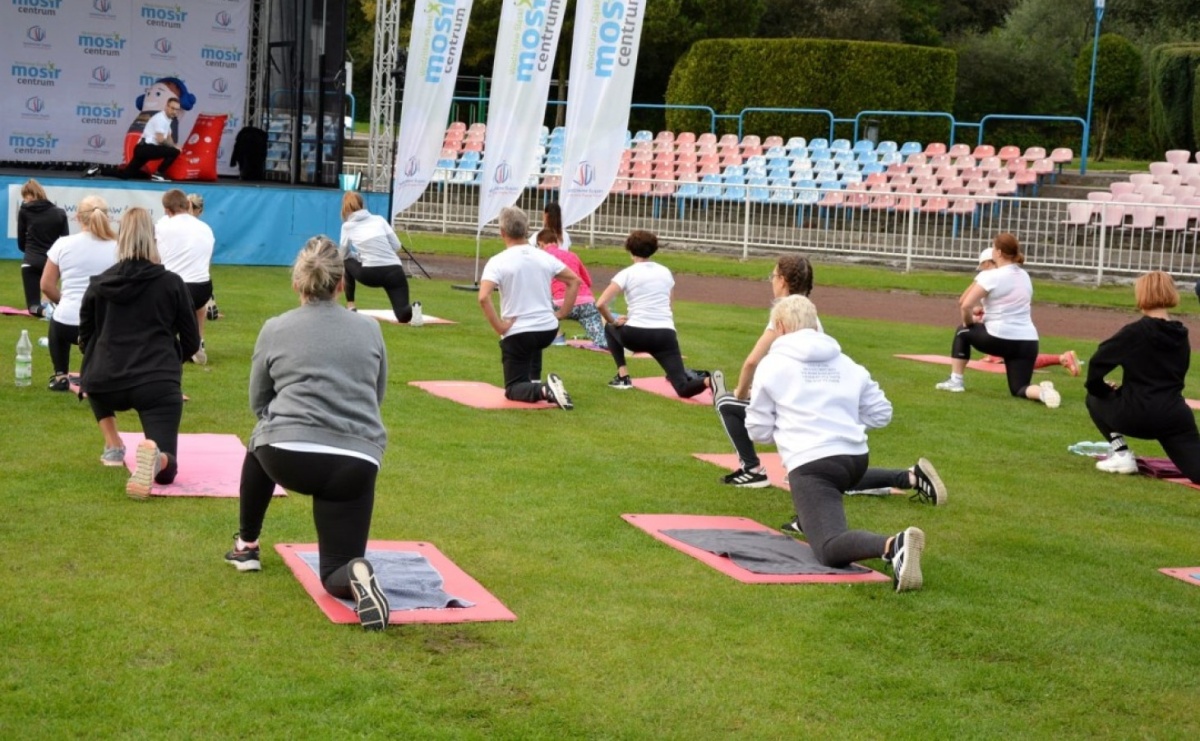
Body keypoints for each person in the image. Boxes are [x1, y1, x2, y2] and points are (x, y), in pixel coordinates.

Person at [223, 236, 391, 631]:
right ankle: (355, 573)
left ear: (298, 284)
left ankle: (247, 545)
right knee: (335, 570)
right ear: (340, 285)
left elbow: (258, 400)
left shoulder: (275, 327)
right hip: (356, 460)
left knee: (261, 433)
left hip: (286, 454)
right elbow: (375, 397)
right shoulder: (369, 329)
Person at [709, 255, 946, 508]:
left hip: (807, 409)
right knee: (824, 471)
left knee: (726, 403)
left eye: (773, 276)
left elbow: (751, 362)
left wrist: (741, 392)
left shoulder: (786, 313)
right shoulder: (807, 312)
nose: (772, 281)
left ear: (783, 281)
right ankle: (909, 477)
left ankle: (752, 469)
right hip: (823, 409)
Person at [746, 295, 926, 592]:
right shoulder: (845, 362)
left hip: (813, 464)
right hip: (855, 459)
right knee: (821, 503)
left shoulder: (772, 365)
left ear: (779, 326)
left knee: (828, 548)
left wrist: (796, 426)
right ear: (815, 324)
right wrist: (841, 424)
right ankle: (905, 480)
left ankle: (894, 545)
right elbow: (882, 413)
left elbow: (758, 431)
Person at [78, 207, 199, 494]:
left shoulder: (99, 284)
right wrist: (171, 360)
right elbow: (192, 341)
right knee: (167, 472)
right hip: (156, 383)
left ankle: (113, 443)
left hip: (105, 381)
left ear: (120, 240)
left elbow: (85, 339)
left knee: (92, 374)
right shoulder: (172, 284)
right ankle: (156, 459)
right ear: (153, 240)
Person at [1086, 271, 1200, 481]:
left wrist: (1105, 391)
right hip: (1174, 417)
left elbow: (1096, 365)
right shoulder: (1181, 335)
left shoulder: (1135, 332)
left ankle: (1121, 454)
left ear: (1142, 295)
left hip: (1136, 414)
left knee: (1093, 398)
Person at [934, 233, 1060, 408]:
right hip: (1028, 341)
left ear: (999, 252)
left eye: (993, 248)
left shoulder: (991, 275)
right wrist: (985, 312)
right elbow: (1009, 304)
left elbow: (965, 305)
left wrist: (969, 324)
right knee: (1019, 388)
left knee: (962, 332)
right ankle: (1043, 393)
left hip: (1001, 337)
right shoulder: (1024, 275)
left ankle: (956, 381)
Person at [478, 206, 580, 409]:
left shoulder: (498, 261)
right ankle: (536, 382)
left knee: (513, 389)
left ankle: (544, 389)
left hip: (519, 333)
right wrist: (561, 313)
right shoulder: (545, 256)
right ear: (527, 230)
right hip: (547, 330)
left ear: (502, 232)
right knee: (531, 342)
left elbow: (483, 297)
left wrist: (499, 327)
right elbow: (574, 281)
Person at [596, 230, 712, 398]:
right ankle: (708, 381)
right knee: (682, 388)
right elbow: (669, 306)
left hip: (636, 334)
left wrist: (613, 321)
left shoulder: (627, 273)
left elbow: (600, 303)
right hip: (665, 335)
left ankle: (623, 376)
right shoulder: (665, 272)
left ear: (630, 250)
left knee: (609, 328)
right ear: (653, 249)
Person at [39, 195, 118, 391]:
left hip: (67, 323)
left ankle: (60, 375)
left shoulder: (63, 244)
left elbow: (46, 285)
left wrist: (64, 301)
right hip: (103, 325)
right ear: (107, 217)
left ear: (77, 217)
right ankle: (104, 374)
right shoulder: (119, 247)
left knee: (57, 320)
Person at [973, 248, 1079, 376]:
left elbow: (969, 302)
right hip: (1018, 325)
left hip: (1008, 328)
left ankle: (1062, 358)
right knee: (1017, 357)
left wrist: (977, 315)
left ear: (987, 264)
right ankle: (1062, 358)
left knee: (1017, 359)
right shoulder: (1015, 275)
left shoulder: (993, 276)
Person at [156, 189, 215, 364]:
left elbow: (154, 258)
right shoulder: (205, 228)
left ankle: (163, 347)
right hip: (203, 287)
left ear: (167, 210)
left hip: (176, 287)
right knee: (188, 309)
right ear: (188, 205)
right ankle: (195, 344)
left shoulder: (161, 226)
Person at [339, 191, 416, 322]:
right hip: (395, 271)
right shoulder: (379, 219)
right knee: (403, 315)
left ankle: (351, 306)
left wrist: (358, 256)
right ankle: (413, 309)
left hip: (371, 274)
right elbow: (397, 246)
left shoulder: (347, 226)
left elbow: (343, 254)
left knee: (346, 261)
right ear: (362, 205)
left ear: (345, 209)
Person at [536, 227, 606, 348]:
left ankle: (557, 336)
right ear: (557, 242)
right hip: (586, 302)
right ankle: (602, 342)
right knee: (601, 342)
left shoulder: (542, 258)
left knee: (539, 308)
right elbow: (587, 282)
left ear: (540, 244)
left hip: (560, 303)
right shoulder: (572, 256)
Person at [16, 179, 69, 316]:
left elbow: (21, 241)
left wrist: (29, 252)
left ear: (29, 195)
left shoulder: (24, 211)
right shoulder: (60, 213)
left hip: (31, 262)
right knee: (55, 297)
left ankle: (46, 312)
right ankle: (64, 307)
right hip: (52, 262)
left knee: (33, 307)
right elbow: (65, 241)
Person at [112, 96, 181, 181]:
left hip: (143, 149)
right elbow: (160, 139)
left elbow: (169, 137)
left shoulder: (168, 120)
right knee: (175, 151)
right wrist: (175, 147)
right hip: (145, 148)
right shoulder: (160, 118)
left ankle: (100, 170)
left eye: (176, 109)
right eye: (172, 108)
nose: (174, 111)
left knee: (126, 175)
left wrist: (174, 145)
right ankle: (158, 173)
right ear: (166, 106)